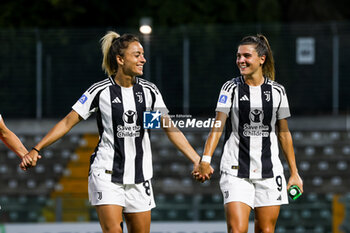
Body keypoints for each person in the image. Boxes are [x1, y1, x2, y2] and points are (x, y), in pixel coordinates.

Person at [20, 31, 213, 233]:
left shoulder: (149, 92)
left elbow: (169, 128)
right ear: (120, 59)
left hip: (140, 178)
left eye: (143, 54)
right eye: (137, 55)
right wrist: (36, 148)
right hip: (106, 174)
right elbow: (68, 121)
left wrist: (196, 159)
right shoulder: (100, 91)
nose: (143, 59)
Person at [195, 34, 303, 233]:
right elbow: (217, 126)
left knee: (266, 230)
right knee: (236, 230)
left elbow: (284, 134)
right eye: (238, 56)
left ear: (261, 59)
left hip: (270, 172)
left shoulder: (278, 91)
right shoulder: (230, 88)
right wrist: (206, 159)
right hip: (236, 171)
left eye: (246, 56)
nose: (240, 60)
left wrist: (295, 173)